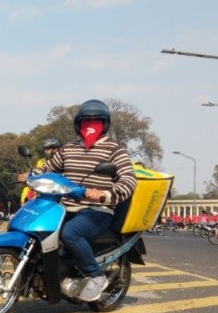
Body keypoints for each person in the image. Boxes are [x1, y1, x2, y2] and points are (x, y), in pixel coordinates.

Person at [19, 99, 137, 302]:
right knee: (35, 228)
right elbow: (48, 168)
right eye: (85, 121)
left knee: (70, 233)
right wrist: (30, 175)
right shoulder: (68, 149)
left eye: (96, 121)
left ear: (105, 124)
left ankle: (96, 276)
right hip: (65, 206)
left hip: (98, 210)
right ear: (78, 125)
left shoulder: (114, 149)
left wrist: (104, 194)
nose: (90, 125)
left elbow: (129, 179)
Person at [20, 138, 63, 204]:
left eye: (47, 149)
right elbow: (36, 177)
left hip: (61, 194)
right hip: (44, 193)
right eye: (45, 149)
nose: (45, 152)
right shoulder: (41, 161)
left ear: (55, 149)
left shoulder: (63, 160)